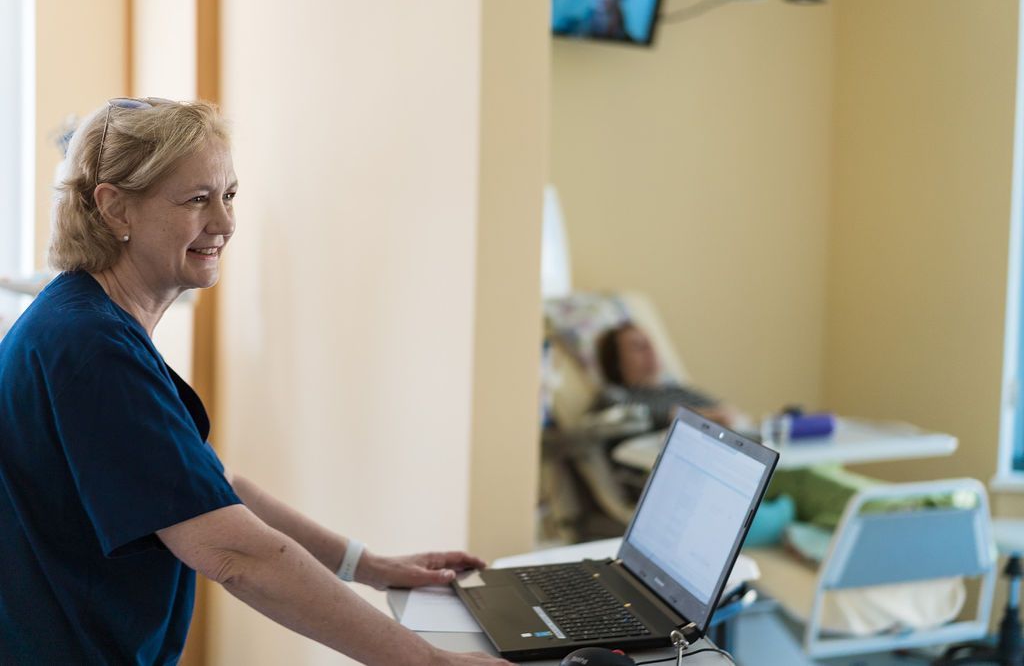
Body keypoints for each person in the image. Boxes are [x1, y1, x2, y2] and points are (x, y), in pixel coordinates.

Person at [0, 98, 509, 665]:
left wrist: (371, 567)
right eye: (197, 200)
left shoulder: (86, 321)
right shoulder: (89, 347)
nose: (224, 223)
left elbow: (214, 487)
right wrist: (430, 662)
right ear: (116, 209)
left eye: (229, 195)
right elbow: (233, 553)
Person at [594, 322, 738, 430]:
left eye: (650, 344)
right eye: (638, 347)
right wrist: (705, 417)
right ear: (616, 362)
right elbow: (630, 416)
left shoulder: (678, 390)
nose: (650, 350)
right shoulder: (615, 395)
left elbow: (725, 411)